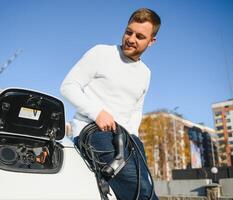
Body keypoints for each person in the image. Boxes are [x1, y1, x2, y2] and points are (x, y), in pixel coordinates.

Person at [60, 8, 161, 200]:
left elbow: (136, 109)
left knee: (146, 187)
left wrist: (134, 137)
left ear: (151, 41)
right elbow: (68, 86)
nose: (131, 39)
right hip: (93, 132)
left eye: (140, 36)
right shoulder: (101, 53)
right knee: (141, 193)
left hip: (127, 138)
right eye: (128, 32)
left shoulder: (146, 73)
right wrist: (97, 112)